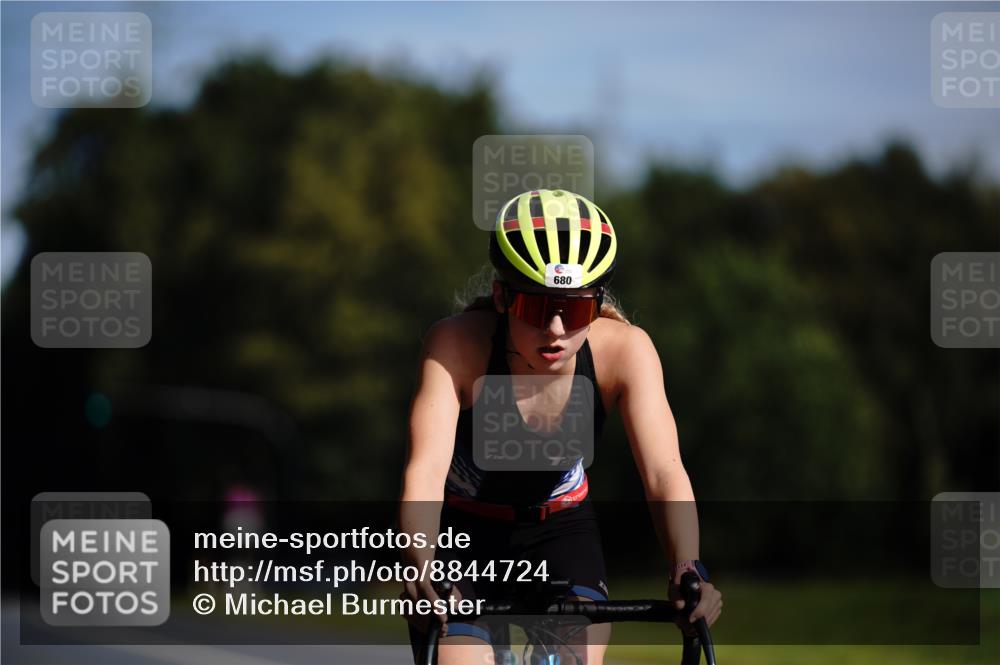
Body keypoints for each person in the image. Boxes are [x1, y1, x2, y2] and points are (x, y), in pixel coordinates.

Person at [399, 189, 722, 664]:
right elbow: (424, 472)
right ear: (501, 296)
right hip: (463, 533)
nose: (554, 330)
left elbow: (664, 473)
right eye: (535, 308)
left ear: (596, 304)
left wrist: (687, 567)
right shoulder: (456, 344)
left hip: (560, 533)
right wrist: (420, 562)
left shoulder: (625, 351)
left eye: (572, 311)